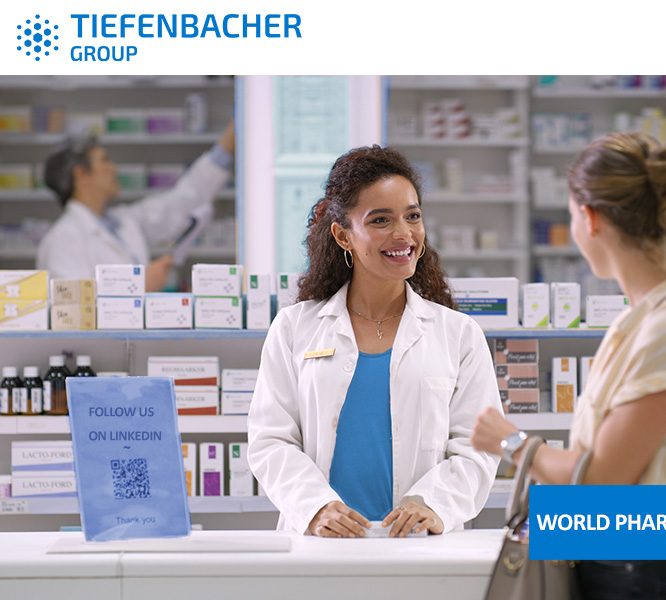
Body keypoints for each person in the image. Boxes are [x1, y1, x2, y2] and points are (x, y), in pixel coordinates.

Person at [471, 132, 666, 598]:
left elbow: (599, 481)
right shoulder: (641, 320)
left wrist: (512, 441)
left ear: (591, 219)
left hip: (663, 578)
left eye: (571, 215)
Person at [247, 145, 502, 538]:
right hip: (323, 543)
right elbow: (271, 440)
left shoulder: (458, 334)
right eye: (381, 220)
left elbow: (477, 447)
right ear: (343, 235)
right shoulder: (295, 328)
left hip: (420, 545)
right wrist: (315, 506)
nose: (403, 234)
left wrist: (432, 502)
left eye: (412, 216)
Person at [36, 119, 235, 292]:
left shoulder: (124, 222)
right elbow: (72, 312)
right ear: (81, 174)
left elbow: (179, 205)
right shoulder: (63, 239)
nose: (114, 168)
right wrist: (140, 285)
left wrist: (224, 149)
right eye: (105, 161)